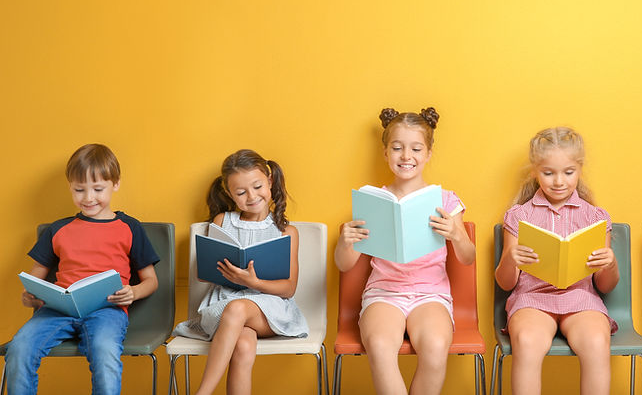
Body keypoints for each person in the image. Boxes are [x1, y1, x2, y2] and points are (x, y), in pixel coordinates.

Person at [334, 107, 475, 395]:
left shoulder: (446, 201)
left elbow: (468, 257)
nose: (406, 156)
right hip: (384, 293)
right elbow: (345, 264)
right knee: (381, 346)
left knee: (435, 347)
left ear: (428, 153)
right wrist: (345, 242)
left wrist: (456, 234)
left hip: (431, 295)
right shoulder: (374, 201)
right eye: (397, 148)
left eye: (415, 148)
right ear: (386, 153)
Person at [5, 143, 160, 395]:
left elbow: (151, 280)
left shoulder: (130, 227)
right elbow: (35, 277)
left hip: (107, 310)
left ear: (115, 184)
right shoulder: (58, 229)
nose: (88, 198)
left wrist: (133, 291)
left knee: (104, 351)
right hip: (57, 310)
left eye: (98, 189)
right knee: (20, 347)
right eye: (79, 190)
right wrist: (30, 296)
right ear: (70, 187)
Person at [172, 149, 307, 395]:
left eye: (257, 187)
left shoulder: (286, 232)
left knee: (238, 308)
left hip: (270, 310)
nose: (252, 196)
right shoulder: (222, 220)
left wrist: (253, 282)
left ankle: (202, 392)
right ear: (229, 194)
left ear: (270, 181)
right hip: (223, 305)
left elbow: (288, 288)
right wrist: (229, 274)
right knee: (243, 345)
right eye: (241, 193)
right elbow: (203, 273)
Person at [494, 127, 618, 395]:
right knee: (527, 341)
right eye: (548, 173)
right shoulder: (518, 216)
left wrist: (610, 263)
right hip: (532, 299)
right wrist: (510, 259)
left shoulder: (596, 217)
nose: (559, 181)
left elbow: (606, 286)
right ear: (534, 171)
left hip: (581, 298)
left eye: (568, 172)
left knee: (597, 341)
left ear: (579, 169)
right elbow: (506, 284)